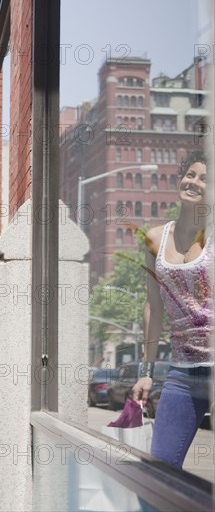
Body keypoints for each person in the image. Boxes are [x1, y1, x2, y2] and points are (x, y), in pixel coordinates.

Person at [132, 150, 213, 468]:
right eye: (190, 174)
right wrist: (147, 372)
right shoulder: (154, 239)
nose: (194, 182)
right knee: (160, 469)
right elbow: (153, 307)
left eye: (205, 179)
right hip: (182, 373)